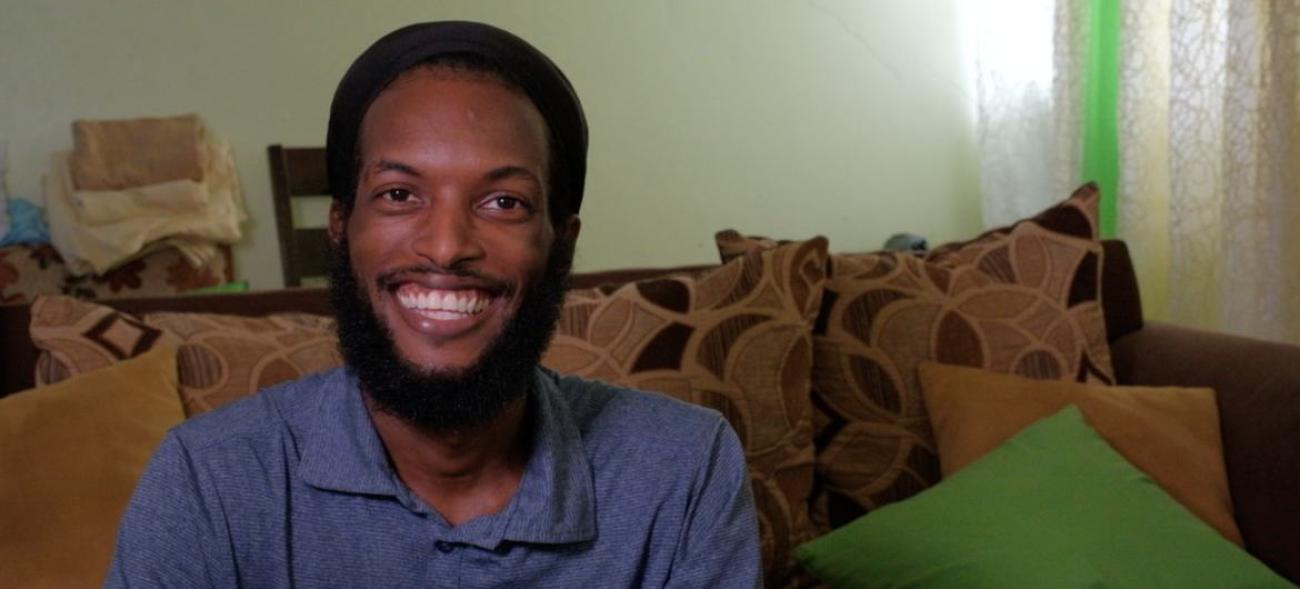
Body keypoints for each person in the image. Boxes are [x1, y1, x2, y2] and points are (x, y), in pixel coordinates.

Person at [106, 21, 761, 588]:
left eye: (503, 201)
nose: (446, 247)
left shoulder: (685, 468)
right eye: (398, 194)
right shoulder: (207, 481)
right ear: (341, 227)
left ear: (561, 246)